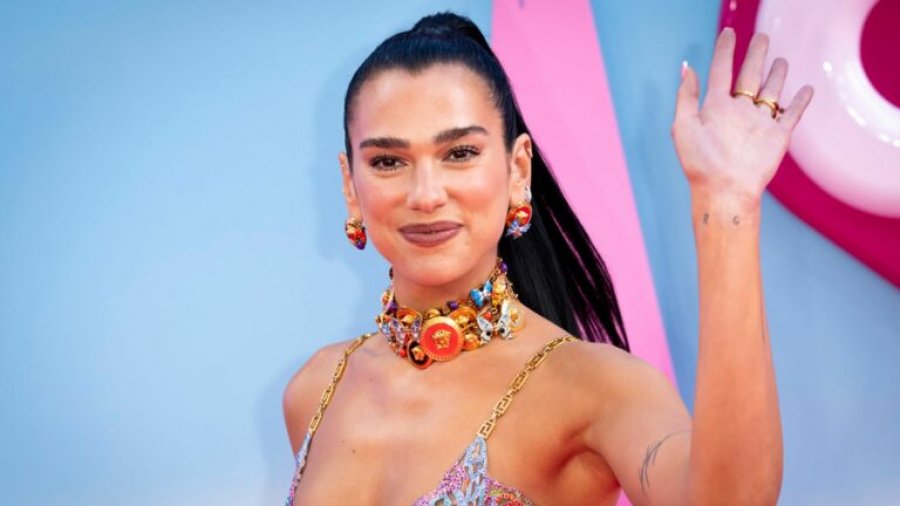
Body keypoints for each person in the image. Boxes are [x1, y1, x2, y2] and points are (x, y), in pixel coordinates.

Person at [282, 11, 813, 505]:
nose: (425, 194)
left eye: (459, 153)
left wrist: (727, 201)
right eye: (388, 161)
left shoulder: (591, 388)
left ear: (518, 170)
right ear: (351, 185)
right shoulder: (317, 388)